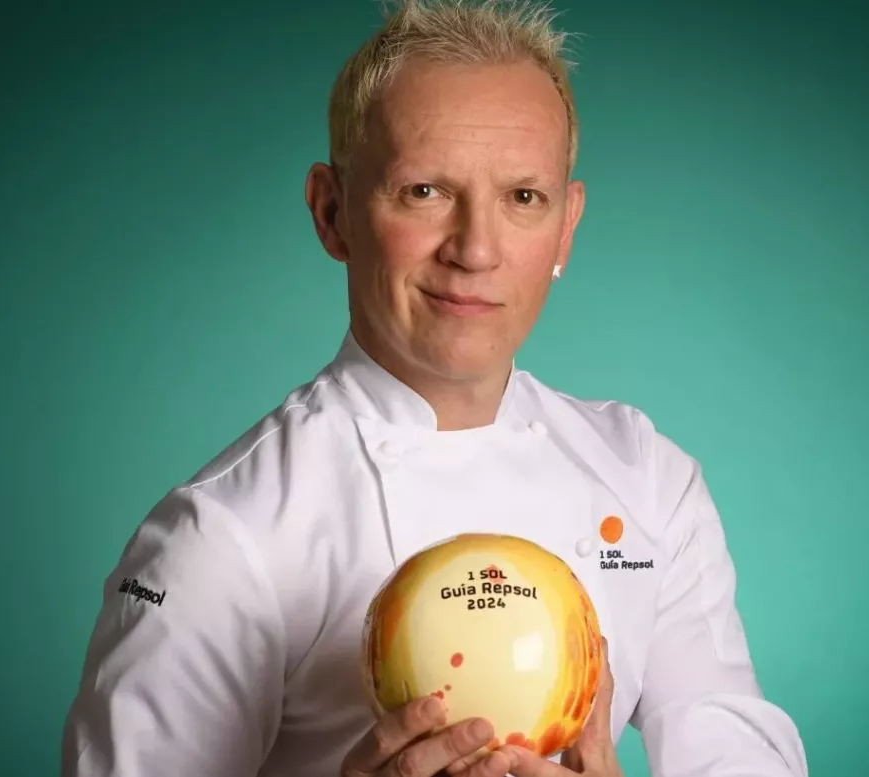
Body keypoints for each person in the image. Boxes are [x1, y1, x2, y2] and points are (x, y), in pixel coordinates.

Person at [60, 1, 809, 775]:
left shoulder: (646, 480)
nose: (475, 249)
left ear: (566, 226)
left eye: (523, 197)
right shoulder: (220, 534)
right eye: (424, 190)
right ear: (332, 213)